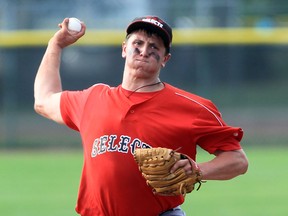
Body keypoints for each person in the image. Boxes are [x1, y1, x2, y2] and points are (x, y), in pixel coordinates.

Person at [34, 16, 248, 216]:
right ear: (124, 49)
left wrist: (198, 169)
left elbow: (237, 160)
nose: (144, 50)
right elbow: (43, 100)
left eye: (154, 46)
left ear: (165, 58)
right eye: (138, 43)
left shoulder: (192, 107)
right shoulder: (93, 99)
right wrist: (56, 44)